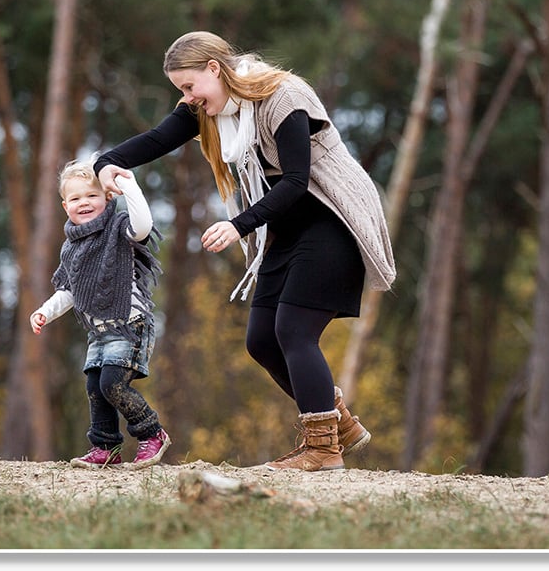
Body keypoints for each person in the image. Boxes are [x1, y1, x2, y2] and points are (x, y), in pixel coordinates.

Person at [94, 31, 395, 472]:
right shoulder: (211, 110)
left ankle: (323, 449)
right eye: (181, 90)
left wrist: (238, 225)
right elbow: (158, 139)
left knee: (293, 331)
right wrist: (105, 162)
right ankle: (337, 424)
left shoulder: (283, 97)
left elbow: (295, 180)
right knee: (260, 339)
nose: (188, 98)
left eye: (189, 86)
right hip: (285, 229)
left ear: (214, 69)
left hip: (331, 220)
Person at [30, 157, 170, 470]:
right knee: (95, 388)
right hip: (99, 332)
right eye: (76, 198)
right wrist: (44, 312)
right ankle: (106, 446)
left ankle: (152, 433)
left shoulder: (119, 229)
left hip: (130, 325)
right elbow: (68, 290)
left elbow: (144, 226)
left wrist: (127, 184)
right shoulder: (71, 247)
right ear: (65, 205)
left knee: (112, 384)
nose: (84, 203)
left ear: (107, 197)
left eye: (92, 195)